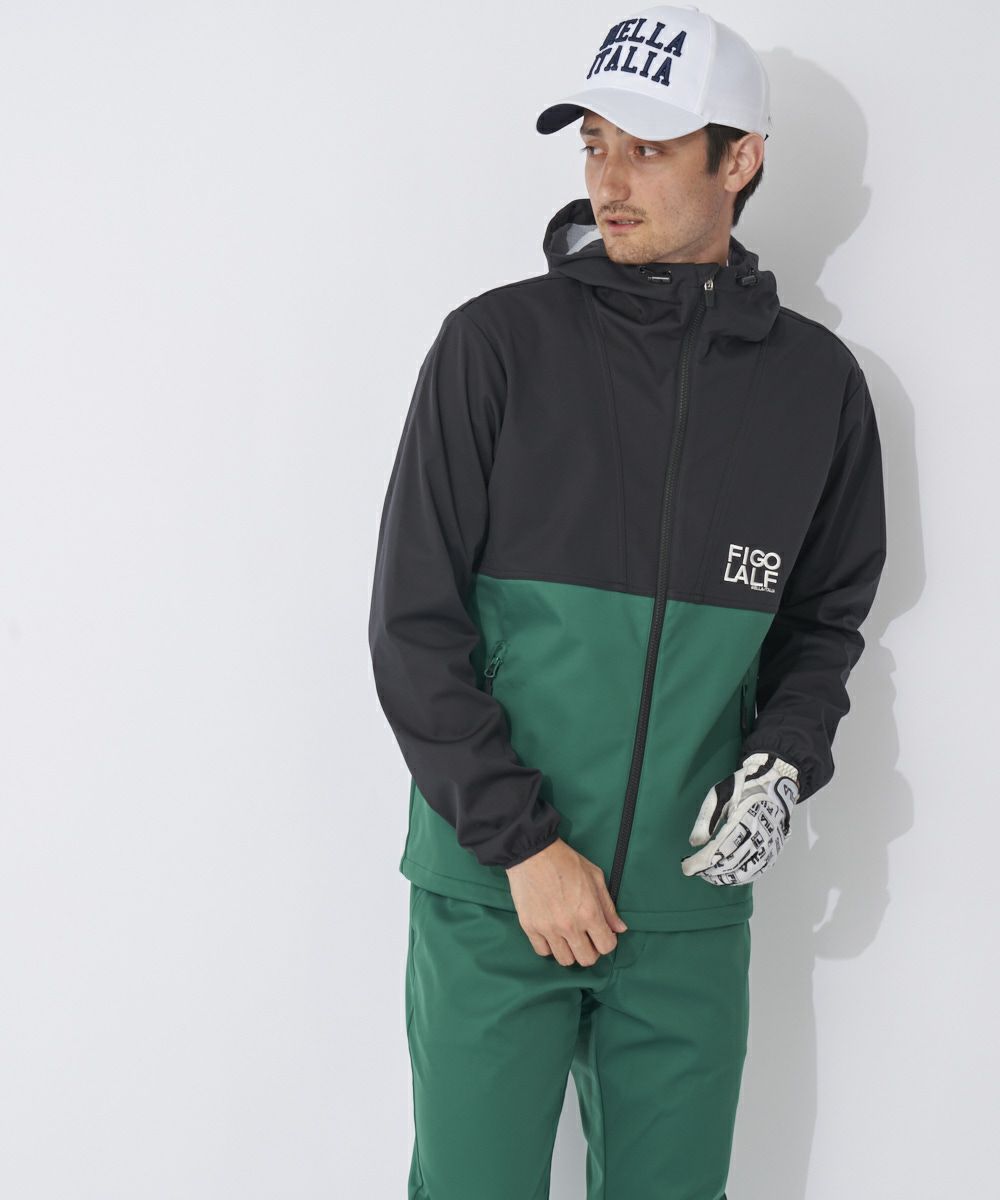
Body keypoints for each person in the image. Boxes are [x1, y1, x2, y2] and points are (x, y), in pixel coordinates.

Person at [367, 5, 887, 1197]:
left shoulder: (815, 388)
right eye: (595, 144)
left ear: (739, 159)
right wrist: (523, 846)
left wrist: (783, 760)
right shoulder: (495, 347)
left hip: (685, 905)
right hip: (498, 891)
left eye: (648, 149)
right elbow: (412, 626)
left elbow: (822, 624)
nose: (608, 179)